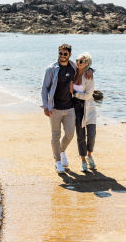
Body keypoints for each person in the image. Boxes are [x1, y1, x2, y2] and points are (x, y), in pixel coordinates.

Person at [41, 44, 92, 174]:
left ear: (69, 55)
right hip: (55, 108)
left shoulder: (73, 66)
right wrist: (46, 106)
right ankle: (58, 161)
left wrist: (90, 70)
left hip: (69, 108)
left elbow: (83, 68)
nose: (62, 56)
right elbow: (44, 88)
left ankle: (61, 150)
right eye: (60, 53)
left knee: (70, 134)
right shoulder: (51, 69)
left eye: (65, 54)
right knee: (55, 135)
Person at [71, 52, 97, 172]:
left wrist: (74, 93)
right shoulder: (73, 71)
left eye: (81, 61)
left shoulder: (88, 75)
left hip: (88, 107)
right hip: (76, 108)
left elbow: (88, 96)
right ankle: (83, 161)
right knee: (80, 135)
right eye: (77, 60)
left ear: (86, 63)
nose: (78, 63)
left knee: (91, 134)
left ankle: (89, 155)